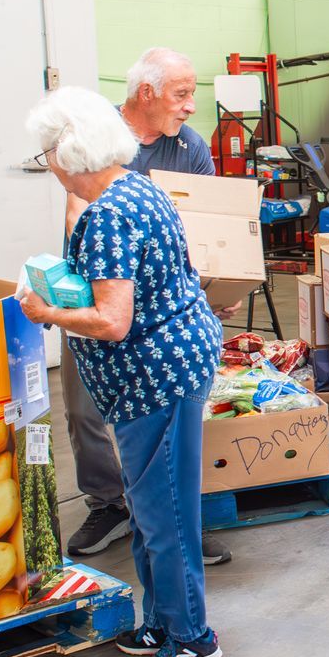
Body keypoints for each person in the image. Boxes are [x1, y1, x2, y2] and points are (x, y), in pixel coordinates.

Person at [21, 86, 225, 657]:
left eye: (45, 155)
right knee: (148, 505)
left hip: (153, 377)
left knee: (165, 514)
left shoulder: (108, 213)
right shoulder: (134, 187)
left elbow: (113, 320)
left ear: (66, 152)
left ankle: (192, 635)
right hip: (162, 368)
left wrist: (46, 311)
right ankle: (162, 620)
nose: (47, 166)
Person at [64, 48, 234, 567]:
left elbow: (209, 220)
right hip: (101, 290)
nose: (190, 107)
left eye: (192, 95)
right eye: (181, 94)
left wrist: (211, 286)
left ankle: (175, 518)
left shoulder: (188, 147)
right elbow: (77, 216)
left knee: (171, 412)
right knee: (84, 406)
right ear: (145, 94)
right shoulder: (98, 135)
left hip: (163, 306)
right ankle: (109, 502)